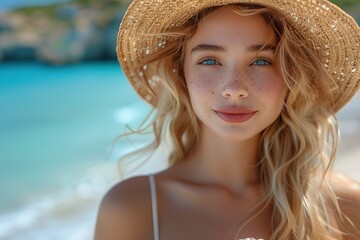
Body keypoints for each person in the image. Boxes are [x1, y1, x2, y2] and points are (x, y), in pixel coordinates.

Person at [95, 0, 360, 239]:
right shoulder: (134, 208)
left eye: (261, 62)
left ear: (293, 76)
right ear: (181, 75)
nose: (234, 88)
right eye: (210, 60)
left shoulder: (344, 205)